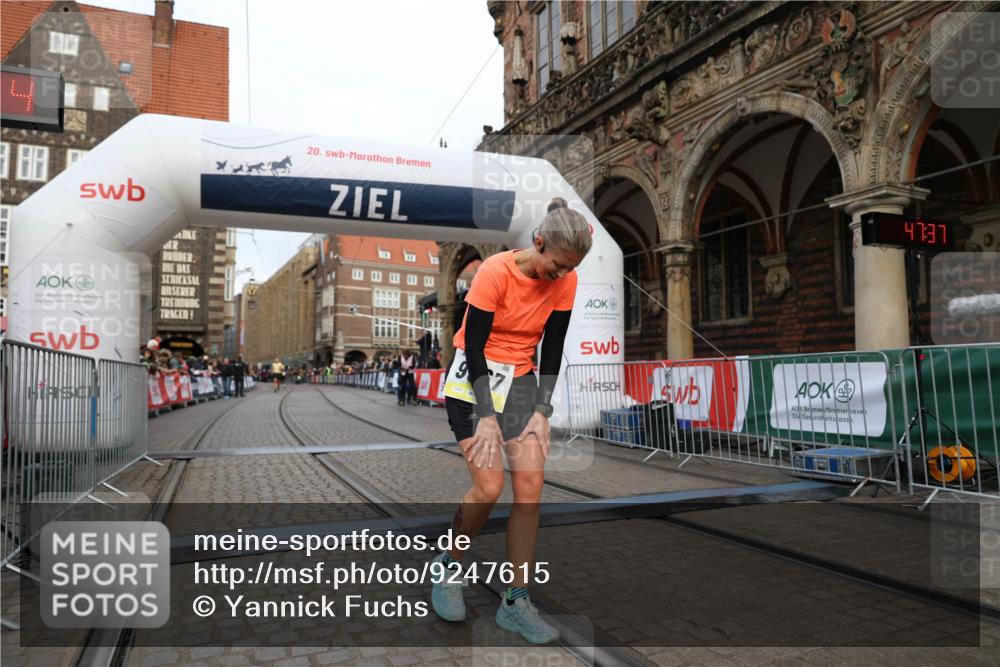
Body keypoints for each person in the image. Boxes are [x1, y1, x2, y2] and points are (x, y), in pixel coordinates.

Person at [430, 198, 591, 644]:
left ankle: (515, 601)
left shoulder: (567, 278)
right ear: (538, 242)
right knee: (488, 487)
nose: (561, 275)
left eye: (569, 268)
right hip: (473, 379)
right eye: (556, 265)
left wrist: (542, 410)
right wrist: (486, 415)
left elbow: (552, 346)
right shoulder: (494, 272)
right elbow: (474, 345)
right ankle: (448, 565)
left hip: (519, 380)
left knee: (530, 486)